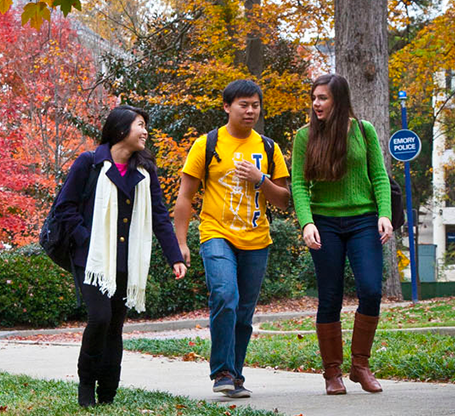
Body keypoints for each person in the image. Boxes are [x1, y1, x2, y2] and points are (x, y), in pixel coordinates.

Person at [54, 105, 187, 407]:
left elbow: (159, 216)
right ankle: (86, 387)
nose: (145, 132)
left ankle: (108, 394)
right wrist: (87, 240)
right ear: (120, 130)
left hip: (126, 261)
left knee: (114, 326)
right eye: (140, 125)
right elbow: (65, 208)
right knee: (99, 318)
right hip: (93, 261)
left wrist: (174, 256)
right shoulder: (89, 163)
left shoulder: (145, 171)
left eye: (145, 126)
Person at [174, 79, 290, 398]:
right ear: (227, 107)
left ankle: (235, 375)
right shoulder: (206, 144)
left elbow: (283, 200)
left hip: (257, 240)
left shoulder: (268, 148)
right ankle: (222, 370)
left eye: (255, 105)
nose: (250, 110)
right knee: (225, 295)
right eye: (243, 104)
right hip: (216, 233)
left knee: (243, 313)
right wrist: (180, 243)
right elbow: (185, 198)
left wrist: (260, 179)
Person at [291, 74, 393, 395]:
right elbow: (298, 184)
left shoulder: (364, 131)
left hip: (363, 221)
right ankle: (331, 372)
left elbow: (379, 175)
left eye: (323, 98)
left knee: (371, 290)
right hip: (325, 223)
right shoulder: (305, 136)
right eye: (314, 98)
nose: (316, 104)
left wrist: (384, 214)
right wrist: (307, 222)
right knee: (330, 296)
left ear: (339, 99)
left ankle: (360, 365)